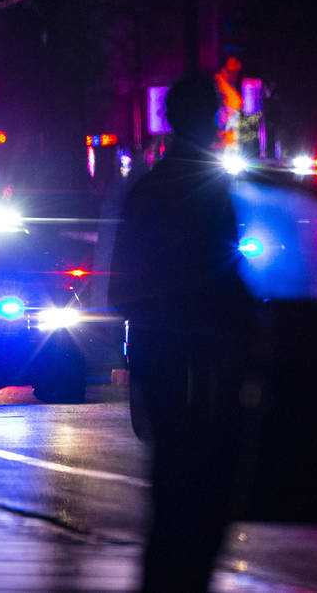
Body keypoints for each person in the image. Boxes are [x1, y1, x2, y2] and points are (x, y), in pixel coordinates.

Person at [109, 73, 254, 592]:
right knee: (203, 475)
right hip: (196, 348)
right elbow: (221, 267)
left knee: (170, 473)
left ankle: (165, 575)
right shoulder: (205, 187)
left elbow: (123, 276)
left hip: (158, 341)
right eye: (216, 112)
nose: (220, 123)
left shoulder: (150, 186)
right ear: (203, 117)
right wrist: (252, 326)